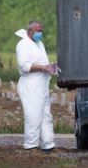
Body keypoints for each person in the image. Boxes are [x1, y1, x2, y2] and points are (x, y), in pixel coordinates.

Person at [15, 20, 57, 152]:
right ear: (30, 31)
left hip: (42, 85)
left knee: (45, 115)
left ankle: (48, 144)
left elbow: (41, 62)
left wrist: (50, 66)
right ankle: (31, 145)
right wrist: (43, 67)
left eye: (41, 30)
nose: (40, 33)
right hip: (30, 85)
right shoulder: (23, 44)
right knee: (33, 116)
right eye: (38, 30)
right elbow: (24, 66)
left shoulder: (39, 44)